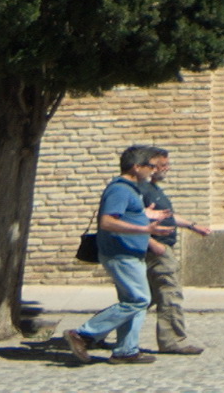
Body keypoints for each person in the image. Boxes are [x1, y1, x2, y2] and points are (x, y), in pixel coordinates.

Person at [57, 145, 166, 364]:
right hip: (121, 254)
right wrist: (145, 229)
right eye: (150, 166)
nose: (153, 170)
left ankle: (126, 351)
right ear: (136, 167)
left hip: (130, 253)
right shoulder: (120, 190)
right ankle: (83, 334)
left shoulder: (131, 190)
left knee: (133, 302)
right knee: (139, 300)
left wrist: (145, 215)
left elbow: (125, 215)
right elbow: (107, 221)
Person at [135, 151, 205, 357]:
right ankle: (173, 340)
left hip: (160, 249)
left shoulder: (154, 189)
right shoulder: (141, 190)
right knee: (170, 293)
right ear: (151, 166)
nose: (167, 168)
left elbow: (168, 217)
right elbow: (134, 219)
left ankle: (90, 333)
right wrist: (153, 243)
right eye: (163, 165)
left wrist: (193, 225)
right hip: (157, 251)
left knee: (142, 299)